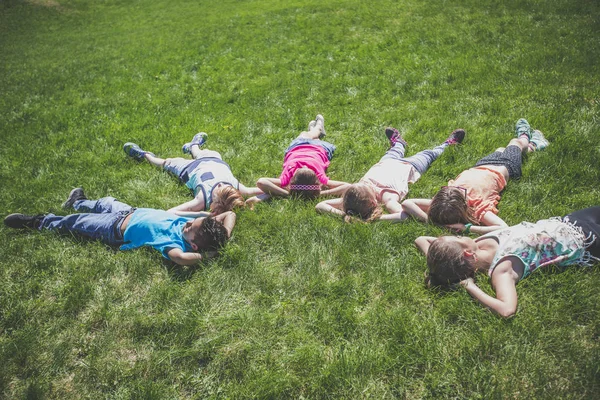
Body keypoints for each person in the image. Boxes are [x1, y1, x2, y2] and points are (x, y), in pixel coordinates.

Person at [415, 206, 600, 318]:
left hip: (569, 221)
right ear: (468, 254)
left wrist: (439, 265)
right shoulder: (502, 269)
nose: (459, 235)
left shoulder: (479, 244)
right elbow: (506, 310)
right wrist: (468, 286)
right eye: (458, 238)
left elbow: (421, 239)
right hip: (586, 240)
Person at [3, 188, 236, 266]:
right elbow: (230, 213)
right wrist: (224, 235)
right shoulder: (192, 227)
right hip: (129, 211)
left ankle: (39, 222)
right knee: (106, 201)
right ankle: (78, 200)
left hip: (113, 229)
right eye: (191, 221)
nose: (186, 223)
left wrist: (207, 256)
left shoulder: (173, 244)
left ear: (193, 244)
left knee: (76, 222)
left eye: (189, 228)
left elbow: (181, 259)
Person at [402, 119, 549, 234]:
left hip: (482, 164)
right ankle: (529, 139)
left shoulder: (446, 200)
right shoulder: (477, 207)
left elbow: (407, 203)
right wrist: (467, 228)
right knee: (515, 143)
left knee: (501, 149)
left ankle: (528, 146)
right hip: (506, 166)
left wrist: (429, 221)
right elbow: (502, 227)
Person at [315, 127, 465, 222]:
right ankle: (447, 144)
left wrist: (346, 216)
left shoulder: (353, 199)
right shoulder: (387, 198)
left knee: (395, 151)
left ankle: (399, 143)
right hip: (410, 166)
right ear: (373, 202)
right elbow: (403, 215)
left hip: (386, 162)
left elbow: (321, 205)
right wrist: (375, 220)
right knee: (428, 154)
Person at [124, 132, 263, 216]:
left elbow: (170, 212)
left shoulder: (203, 199)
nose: (220, 183)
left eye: (219, 189)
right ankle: (193, 146)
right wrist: (282, 190)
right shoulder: (236, 190)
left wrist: (201, 214)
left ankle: (145, 155)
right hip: (213, 159)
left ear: (214, 204)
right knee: (207, 152)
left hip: (189, 168)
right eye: (224, 186)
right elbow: (266, 190)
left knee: (164, 163)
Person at [245, 115, 349, 206]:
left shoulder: (289, 174)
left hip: (298, 146)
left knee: (304, 134)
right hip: (318, 148)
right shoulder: (320, 178)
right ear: (318, 183)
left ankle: (315, 129)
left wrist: (287, 194)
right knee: (312, 136)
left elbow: (261, 182)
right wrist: (320, 194)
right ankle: (318, 127)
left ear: (291, 181)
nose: (304, 165)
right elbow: (348, 187)